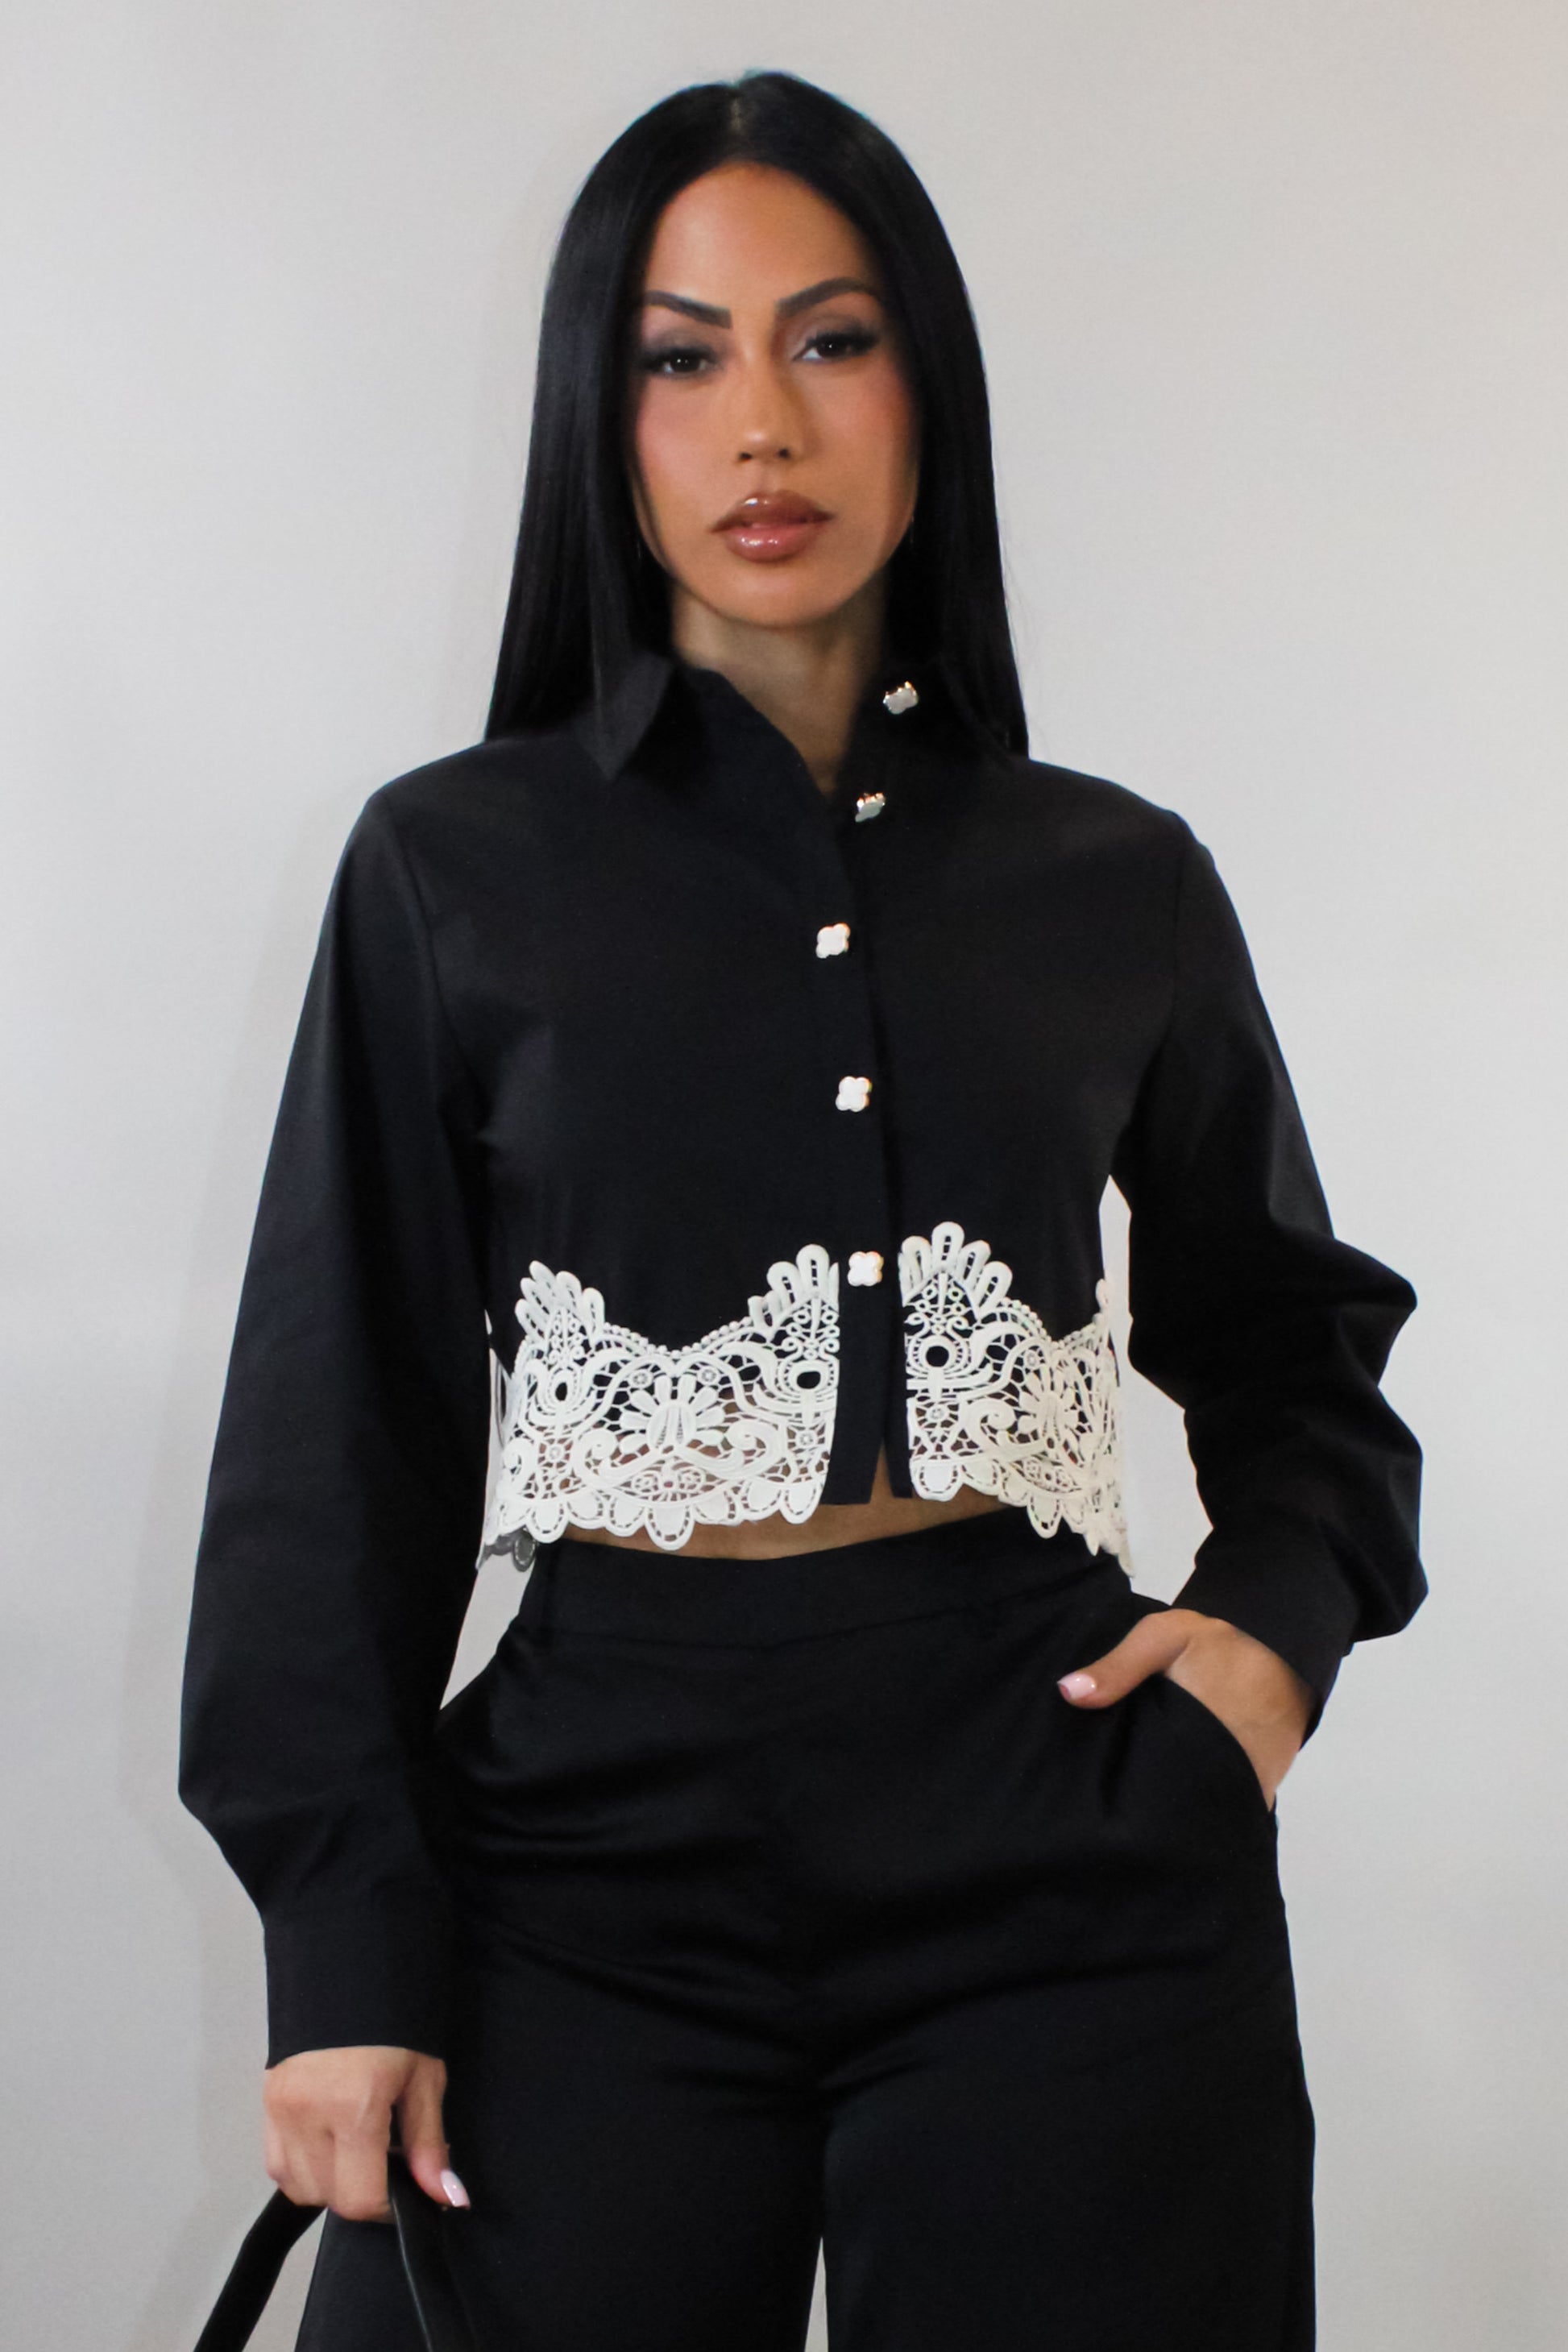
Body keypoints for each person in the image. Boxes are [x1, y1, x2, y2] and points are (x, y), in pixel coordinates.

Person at [179, 69, 1425, 2352]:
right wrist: (340, 1948)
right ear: (603, 418)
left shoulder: (1112, 880)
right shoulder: (451, 869)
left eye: (831, 341)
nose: (763, 424)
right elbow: (331, 1435)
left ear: (926, 391)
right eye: (684, 358)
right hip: (580, 1867)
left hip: (1060, 1829)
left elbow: (1293, 1351)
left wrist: (1261, 1647)